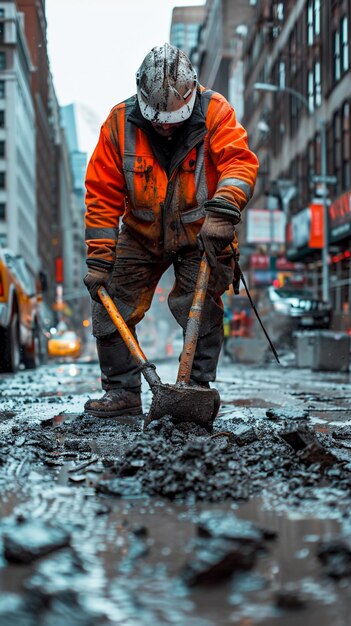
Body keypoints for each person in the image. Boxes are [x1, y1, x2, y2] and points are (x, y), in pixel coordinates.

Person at [83, 43, 259, 418]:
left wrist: (224, 211)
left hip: (203, 232)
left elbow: (239, 164)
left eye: (173, 118)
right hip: (142, 231)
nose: (165, 124)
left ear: (192, 91)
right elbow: (102, 195)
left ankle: (194, 386)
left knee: (201, 306)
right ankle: (122, 392)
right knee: (112, 299)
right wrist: (99, 258)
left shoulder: (215, 113)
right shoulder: (119, 124)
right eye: (158, 118)